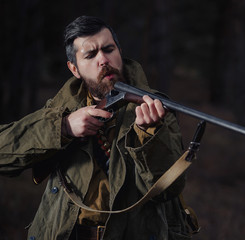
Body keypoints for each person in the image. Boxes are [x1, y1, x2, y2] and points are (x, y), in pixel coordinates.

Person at [0, 16, 196, 240]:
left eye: (108, 49)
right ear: (74, 68)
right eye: (90, 55)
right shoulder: (60, 108)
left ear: (119, 52)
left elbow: (169, 189)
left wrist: (149, 136)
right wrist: (63, 128)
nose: (103, 59)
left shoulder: (154, 107)